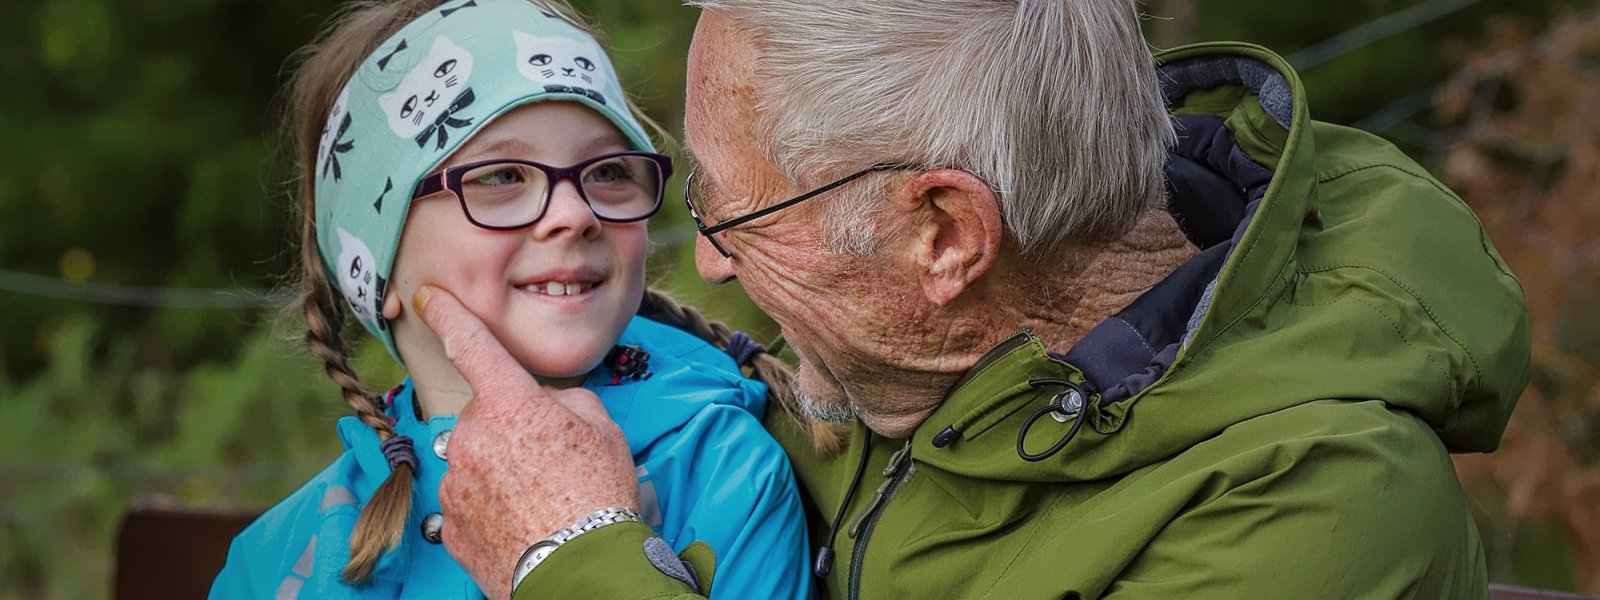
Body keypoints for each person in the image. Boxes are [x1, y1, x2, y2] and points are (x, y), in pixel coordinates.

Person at [424, 1, 1532, 599]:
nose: (707, 263)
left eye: (735, 214)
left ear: (943, 235)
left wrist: (571, 561)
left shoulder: (1316, 514)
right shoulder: (895, 363)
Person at [207, 1, 815, 598]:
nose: (576, 214)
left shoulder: (727, 473)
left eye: (607, 172)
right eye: (500, 178)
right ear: (379, 267)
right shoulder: (278, 560)